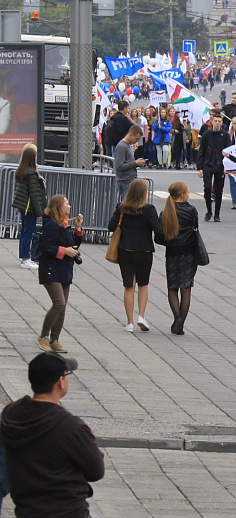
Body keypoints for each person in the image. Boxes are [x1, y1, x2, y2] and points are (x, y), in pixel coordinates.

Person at [0, 352, 103, 518]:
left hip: (27, 510)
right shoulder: (71, 427)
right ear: (60, 382)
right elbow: (96, 471)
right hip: (67, 511)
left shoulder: (10, 415)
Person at [107, 179, 162, 333]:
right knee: (143, 284)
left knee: (129, 286)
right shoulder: (149, 209)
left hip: (125, 251)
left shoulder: (122, 208)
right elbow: (158, 230)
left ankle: (129, 322)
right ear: (144, 193)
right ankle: (141, 317)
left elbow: (111, 226)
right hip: (144, 252)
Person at [35, 195, 83, 354]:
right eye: (66, 204)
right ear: (58, 207)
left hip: (64, 269)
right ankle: (43, 336)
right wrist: (64, 251)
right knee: (59, 303)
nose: (69, 207)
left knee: (62, 307)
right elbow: (46, 247)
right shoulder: (52, 225)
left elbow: (72, 244)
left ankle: (54, 340)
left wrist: (77, 229)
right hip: (51, 269)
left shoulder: (64, 223)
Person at [157, 182, 200, 335]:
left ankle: (177, 317)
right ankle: (181, 323)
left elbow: (159, 236)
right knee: (186, 288)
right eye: (187, 192)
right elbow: (195, 230)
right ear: (182, 195)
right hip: (189, 252)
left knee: (172, 287)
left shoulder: (166, 211)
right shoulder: (192, 210)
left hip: (172, 253)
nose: (189, 194)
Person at [11, 144, 44, 269]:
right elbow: (34, 195)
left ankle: (24, 256)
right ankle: (26, 258)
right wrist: (39, 212)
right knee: (28, 232)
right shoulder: (31, 174)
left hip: (23, 206)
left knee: (25, 232)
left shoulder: (22, 171)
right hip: (29, 207)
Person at [197, 117, 231, 222]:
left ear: (221, 123)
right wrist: (200, 167)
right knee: (207, 188)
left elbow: (228, 151)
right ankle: (209, 211)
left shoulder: (225, 135)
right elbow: (201, 150)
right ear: (212, 122)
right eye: (215, 121)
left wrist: (227, 166)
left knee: (218, 190)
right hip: (208, 164)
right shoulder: (206, 134)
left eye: (219, 121)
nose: (217, 123)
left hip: (220, 165)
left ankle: (217, 213)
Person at [113, 125, 147, 197]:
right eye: (136, 139)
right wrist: (135, 163)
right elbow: (119, 166)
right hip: (125, 181)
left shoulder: (127, 145)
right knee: (127, 205)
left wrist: (137, 163)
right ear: (130, 135)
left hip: (129, 180)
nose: (136, 141)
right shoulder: (122, 146)